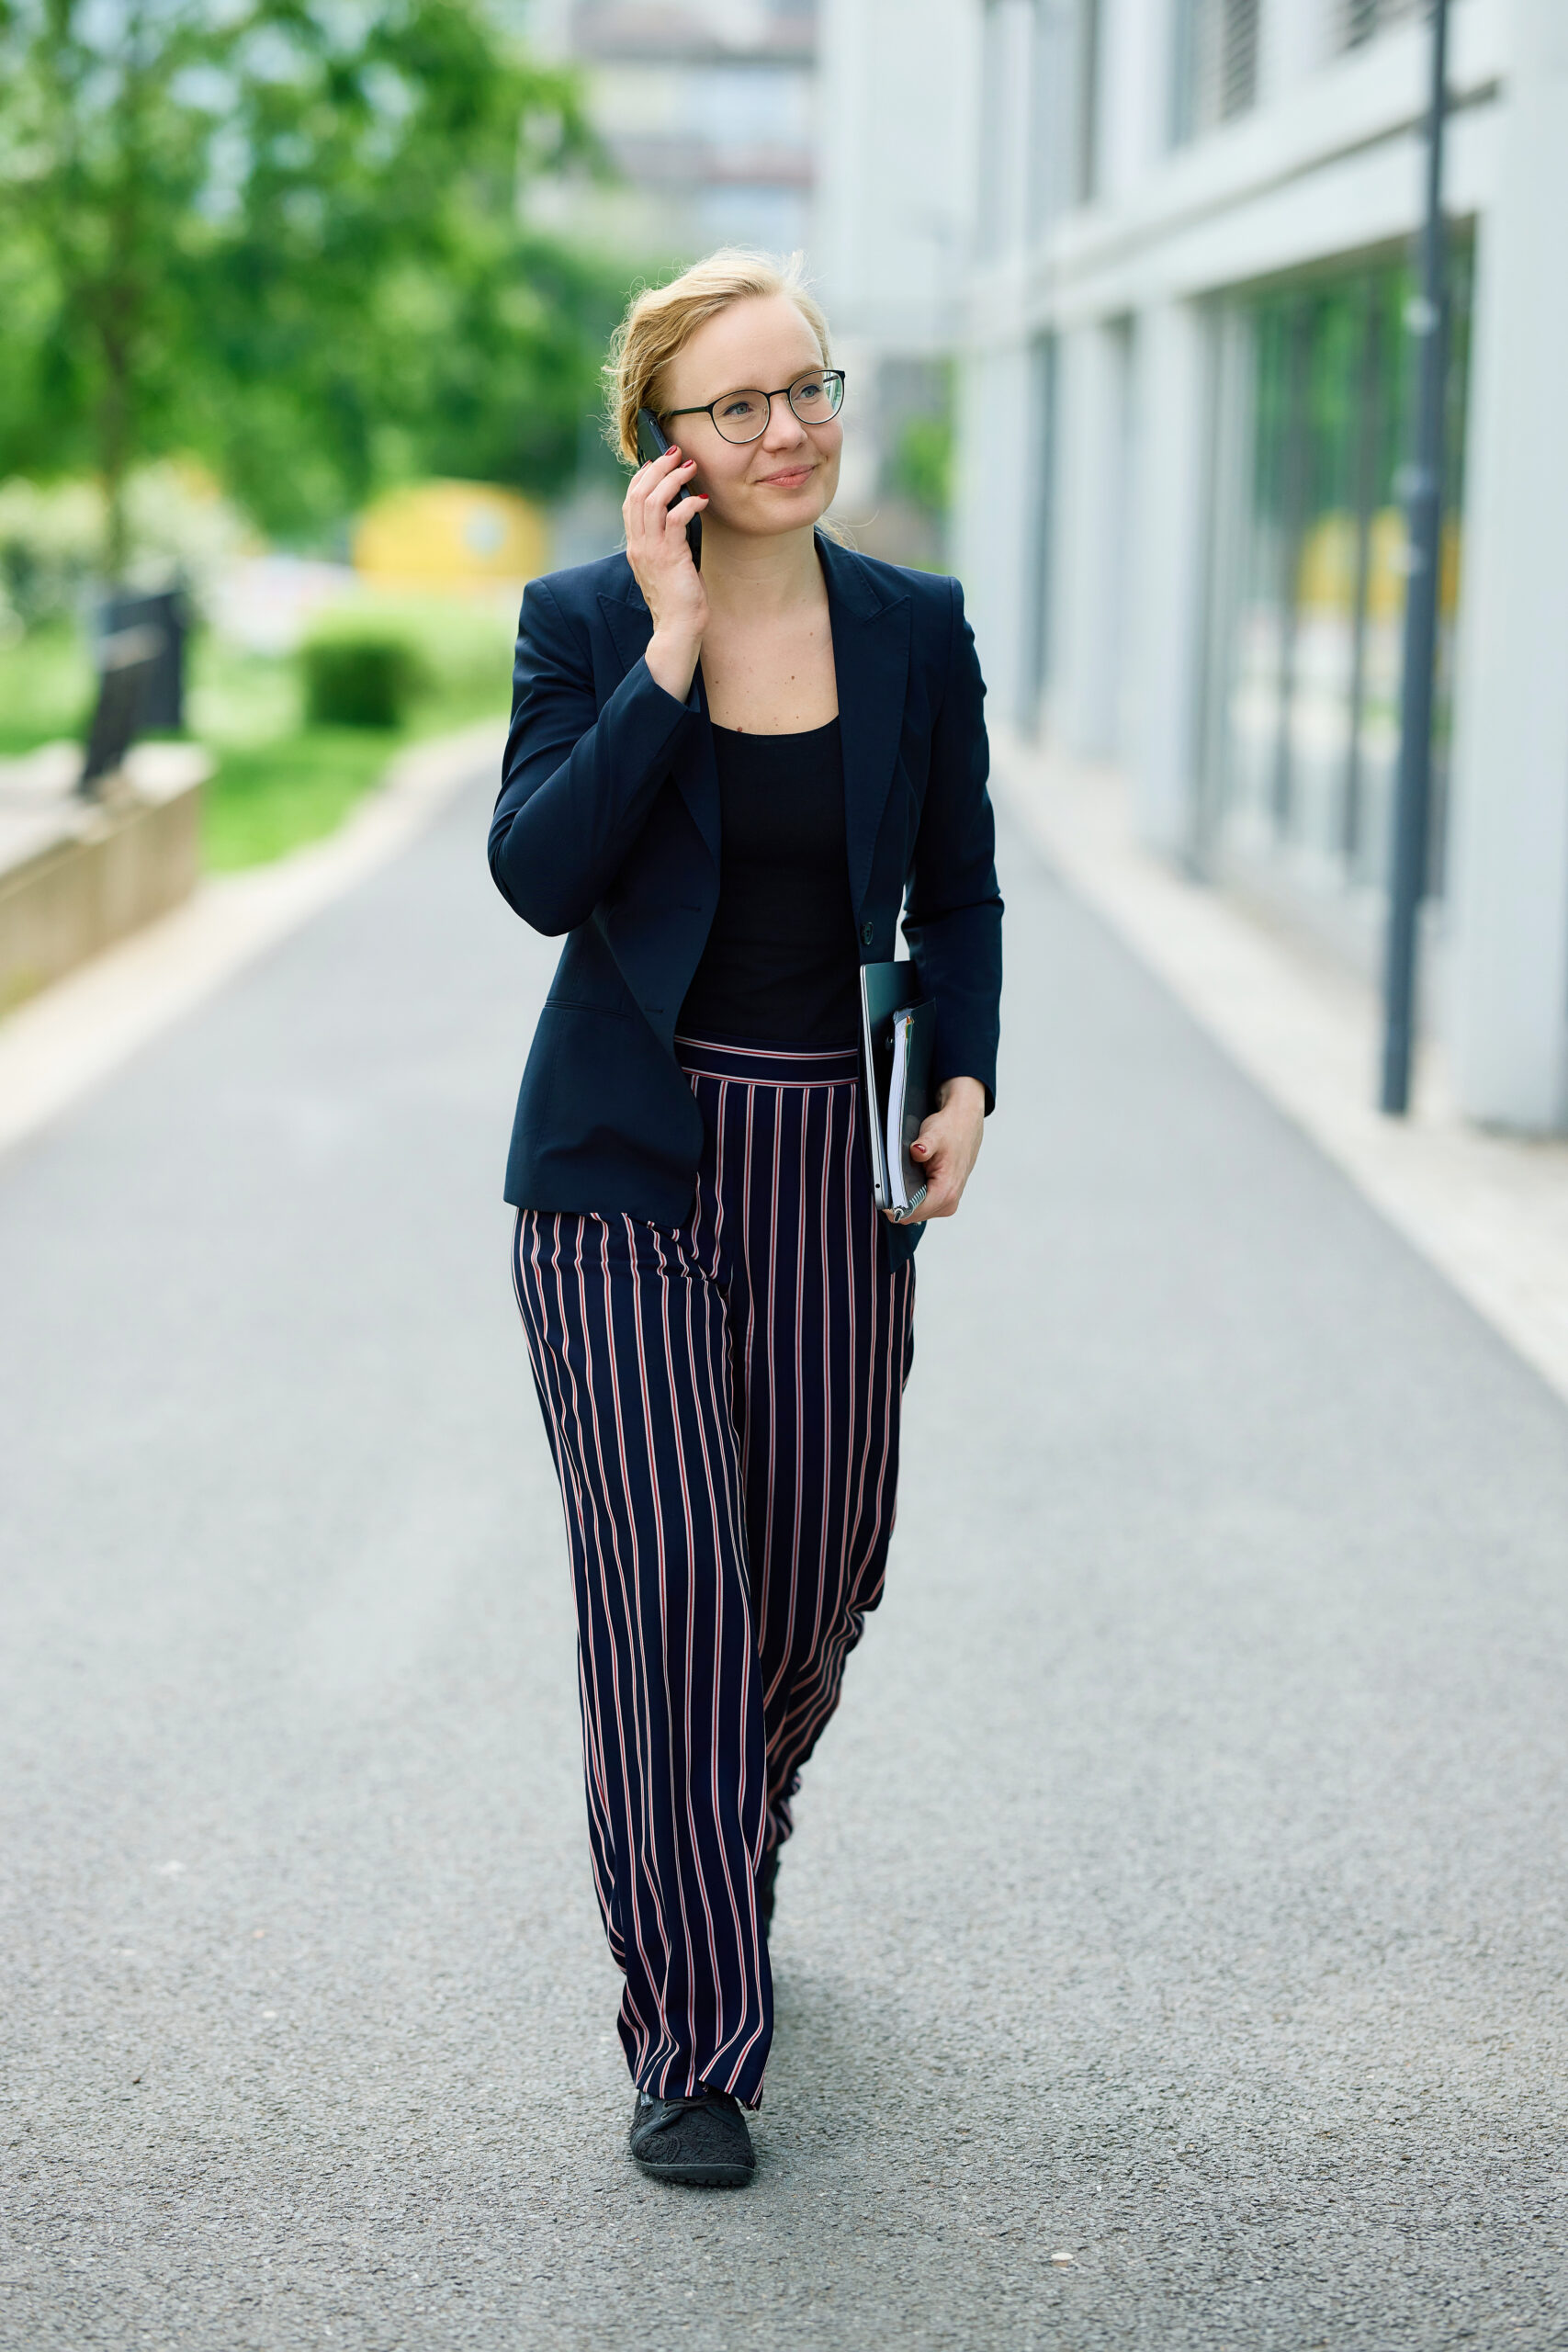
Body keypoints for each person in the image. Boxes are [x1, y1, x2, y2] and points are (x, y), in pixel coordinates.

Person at [488, 249, 1002, 2189]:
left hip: (829, 1163)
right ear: (661, 447)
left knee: (812, 1577)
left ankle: (733, 1817)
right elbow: (540, 875)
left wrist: (961, 1075)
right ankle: (695, 2037)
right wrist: (669, 643)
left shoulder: (912, 627)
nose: (788, 432)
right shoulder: (578, 622)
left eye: (809, 388)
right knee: (671, 1597)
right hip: (620, 1162)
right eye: (736, 405)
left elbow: (954, 892)